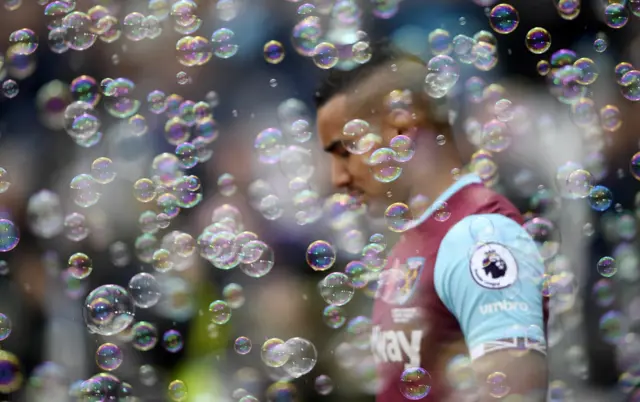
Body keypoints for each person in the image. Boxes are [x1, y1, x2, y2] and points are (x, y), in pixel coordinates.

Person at [315, 42, 548, 401]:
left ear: (401, 129)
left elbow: (514, 393)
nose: (337, 179)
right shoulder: (417, 239)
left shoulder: (481, 234)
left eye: (345, 151)